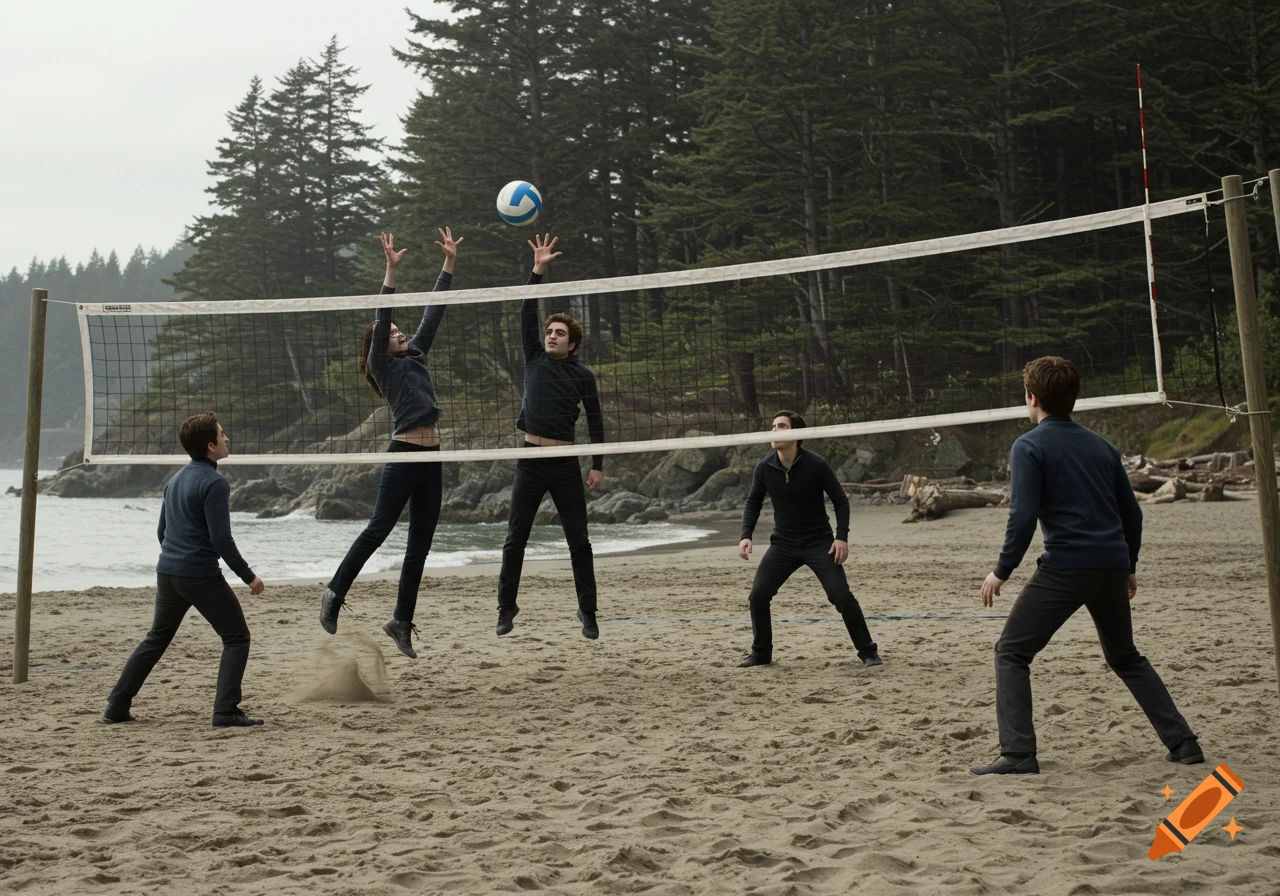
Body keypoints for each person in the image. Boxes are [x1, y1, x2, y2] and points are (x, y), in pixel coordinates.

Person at [970, 356, 1201, 775]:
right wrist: (1128, 564)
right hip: (1111, 564)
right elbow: (1134, 516)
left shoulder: (1028, 445)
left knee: (1011, 652)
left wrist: (1001, 571)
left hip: (1067, 568)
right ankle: (1184, 743)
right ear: (1073, 399)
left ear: (1032, 398)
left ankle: (1019, 754)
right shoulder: (1104, 447)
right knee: (1125, 657)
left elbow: (1022, 517)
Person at [319, 229, 462, 659]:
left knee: (421, 540)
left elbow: (433, 313)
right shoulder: (382, 366)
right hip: (404, 455)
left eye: (401, 331)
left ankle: (400, 620)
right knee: (379, 529)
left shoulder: (415, 354)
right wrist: (390, 271)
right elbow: (383, 316)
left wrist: (449, 264)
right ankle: (334, 593)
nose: (400, 333)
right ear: (380, 345)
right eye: (394, 331)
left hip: (432, 456)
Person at [103, 412, 266, 728]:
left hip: (168, 573)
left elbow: (162, 532)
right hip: (199, 574)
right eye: (222, 434)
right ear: (210, 445)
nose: (227, 438)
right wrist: (249, 576)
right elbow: (221, 539)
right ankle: (225, 711)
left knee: (156, 638)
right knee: (237, 637)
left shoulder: (174, 480)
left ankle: (116, 706)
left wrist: (177, 558)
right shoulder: (215, 483)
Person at [495, 234, 605, 640]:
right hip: (531, 458)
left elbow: (595, 421)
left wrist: (597, 466)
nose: (551, 335)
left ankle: (588, 612)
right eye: (549, 331)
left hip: (565, 463)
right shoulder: (534, 357)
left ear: (571, 342)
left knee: (580, 542)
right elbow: (526, 310)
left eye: (559, 332)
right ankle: (506, 608)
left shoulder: (582, 375)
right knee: (515, 539)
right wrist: (537, 269)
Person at [737, 411, 881, 668]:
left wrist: (841, 538)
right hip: (783, 544)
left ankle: (868, 651)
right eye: (772, 426)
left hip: (819, 542)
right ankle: (761, 653)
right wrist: (745, 535)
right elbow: (753, 502)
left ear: (796, 433)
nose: (774, 431)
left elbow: (840, 501)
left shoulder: (816, 464)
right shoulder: (765, 467)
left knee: (841, 596)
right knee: (758, 594)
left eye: (781, 426)